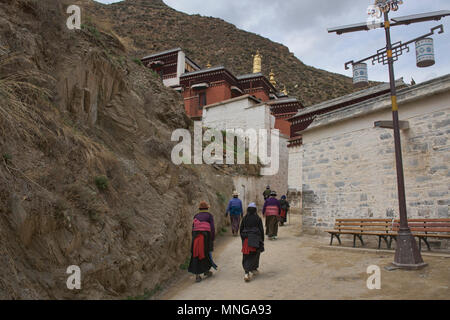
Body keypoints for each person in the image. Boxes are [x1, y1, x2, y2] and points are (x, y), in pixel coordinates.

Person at [188, 201, 217, 283]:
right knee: (205, 253)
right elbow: (212, 228)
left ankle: (197, 275)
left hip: (196, 237)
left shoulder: (196, 216)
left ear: (199, 208)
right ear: (207, 208)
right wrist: (212, 238)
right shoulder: (209, 216)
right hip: (205, 237)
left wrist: (193, 238)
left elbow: (193, 228)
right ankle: (206, 271)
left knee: (196, 254)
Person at [240, 203, 264, 282]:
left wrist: (243, 239)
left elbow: (241, 229)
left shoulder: (245, 218)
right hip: (255, 239)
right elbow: (261, 230)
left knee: (246, 256)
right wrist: (262, 240)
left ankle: (246, 273)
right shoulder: (258, 218)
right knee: (255, 255)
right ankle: (253, 269)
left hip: (246, 239)